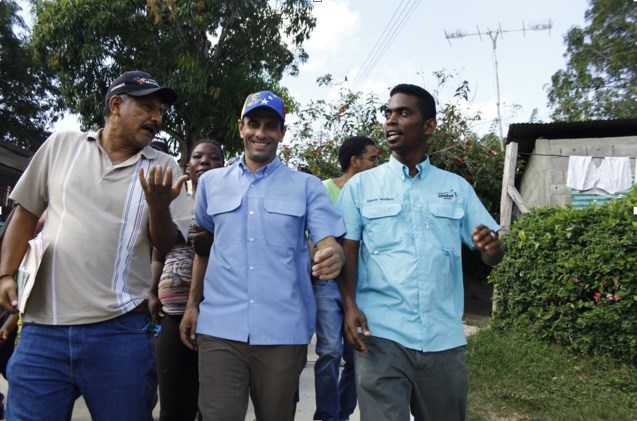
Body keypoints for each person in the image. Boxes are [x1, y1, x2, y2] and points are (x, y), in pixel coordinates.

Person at [0, 70, 191, 420]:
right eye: (147, 107)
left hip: (120, 335)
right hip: (43, 333)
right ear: (116, 105)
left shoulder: (163, 165)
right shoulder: (62, 146)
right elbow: (25, 212)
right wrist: (5, 275)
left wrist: (159, 207)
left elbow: (168, 245)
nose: (157, 118)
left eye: (160, 111)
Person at [336, 84, 505, 421]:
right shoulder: (361, 187)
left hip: (443, 338)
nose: (391, 121)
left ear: (429, 126)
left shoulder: (455, 188)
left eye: (403, 113)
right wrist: (350, 306)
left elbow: (491, 253)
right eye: (388, 114)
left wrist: (492, 249)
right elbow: (347, 252)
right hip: (381, 335)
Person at [179, 90, 346, 421]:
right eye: (253, 123)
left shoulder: (307, 186)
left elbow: (328, 240)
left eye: (271, 126)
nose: (261, 133)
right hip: (220, 328)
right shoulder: (211, 184)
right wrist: (191, 306)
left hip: (283, 331)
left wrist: (332, 254)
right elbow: (205, 249)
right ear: (240, 127)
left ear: (282, 133)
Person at [149, 139, 225, 421]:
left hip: (216, 315)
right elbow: (159, 252)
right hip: (173, 313)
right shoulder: (173, 203)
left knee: (212, 404)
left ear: (224, 166)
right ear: (187, 166)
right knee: (172, 405)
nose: (205, 161)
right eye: (198, 157)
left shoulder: (232, 204)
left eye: (214, 158)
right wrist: (153, 291)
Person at [312, 136, 378, 421]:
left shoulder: (375, 193)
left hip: (360, 284)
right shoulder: (323, 189)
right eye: (373, 158)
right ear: (355, 161)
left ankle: (341, 413)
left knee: (356, 356)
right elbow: (311, 235)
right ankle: (326, 416)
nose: (378, 164)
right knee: (328, 351)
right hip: (327, 283)